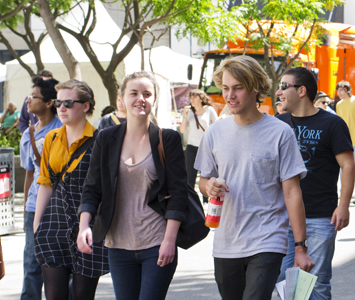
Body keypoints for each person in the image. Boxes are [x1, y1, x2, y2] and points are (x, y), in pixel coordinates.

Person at [195, 56, 315, 300]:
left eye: (238, 88)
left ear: (255, 88)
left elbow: (292, 192)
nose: (230, 95)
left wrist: (301, 247)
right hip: (226, 241)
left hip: (267, 239)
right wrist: (210, 187)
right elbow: (202, 181)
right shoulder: (215, 132)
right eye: (226, 88)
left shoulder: (280, 133)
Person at [77, 71, 192, 300]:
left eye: (147, 94)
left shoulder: (166, 139)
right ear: (122, 99)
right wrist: (83, 227)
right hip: (118, 245)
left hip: (156, 242)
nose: (141, 98)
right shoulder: (106, 138)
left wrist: (169, 241)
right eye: (134, 93)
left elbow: (178, 193)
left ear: (154, 100)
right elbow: (92, 187)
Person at [274, 67, 355, 300]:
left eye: (284, 86)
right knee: (283, 279)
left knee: (317, 283)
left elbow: (348, 166)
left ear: (301, 90)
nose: (279, 92)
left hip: (320, 216)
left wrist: (344, 205)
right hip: (284, 216)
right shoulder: (278, 123)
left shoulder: (332, 123)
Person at [30, 80, 110, 300]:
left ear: (86, 106)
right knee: (54, 296)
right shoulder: (51, 138)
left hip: (88, 225)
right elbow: (46, 182)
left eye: (68, 103)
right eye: (58, 102)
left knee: (82, 295)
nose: (61, 108)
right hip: (53, 224)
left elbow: (102, 188)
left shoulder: (100, 140)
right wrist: (37, 224)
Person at [20, 76, 62, 300]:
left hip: (60, 206)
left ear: (48, 103)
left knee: (59, 261)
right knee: (31, 262)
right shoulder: (28, 134)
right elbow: (29, 172)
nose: (28, 101)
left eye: (33, 97)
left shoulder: (64, 129)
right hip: (34, 206)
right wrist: (27, 204)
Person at [333, 81, 355, 206]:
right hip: (344, 140)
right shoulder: (339, 105)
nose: (339, 93)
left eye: (341, 90)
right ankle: (344, 191)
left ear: (347, 90)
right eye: (338, 90)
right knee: (343, 167)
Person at [179, 89, 218, 189]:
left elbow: (217, 128)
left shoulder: (209, 110)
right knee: (190, 177)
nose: (192, 99)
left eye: (194, 97)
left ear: (201, 98)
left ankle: (207, 200)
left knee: (207, 176)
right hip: (191, 147)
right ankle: (191, 201)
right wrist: (185, 116)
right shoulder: (189, 112)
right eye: (191, 97)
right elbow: (182, 130)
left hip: (206, 147)